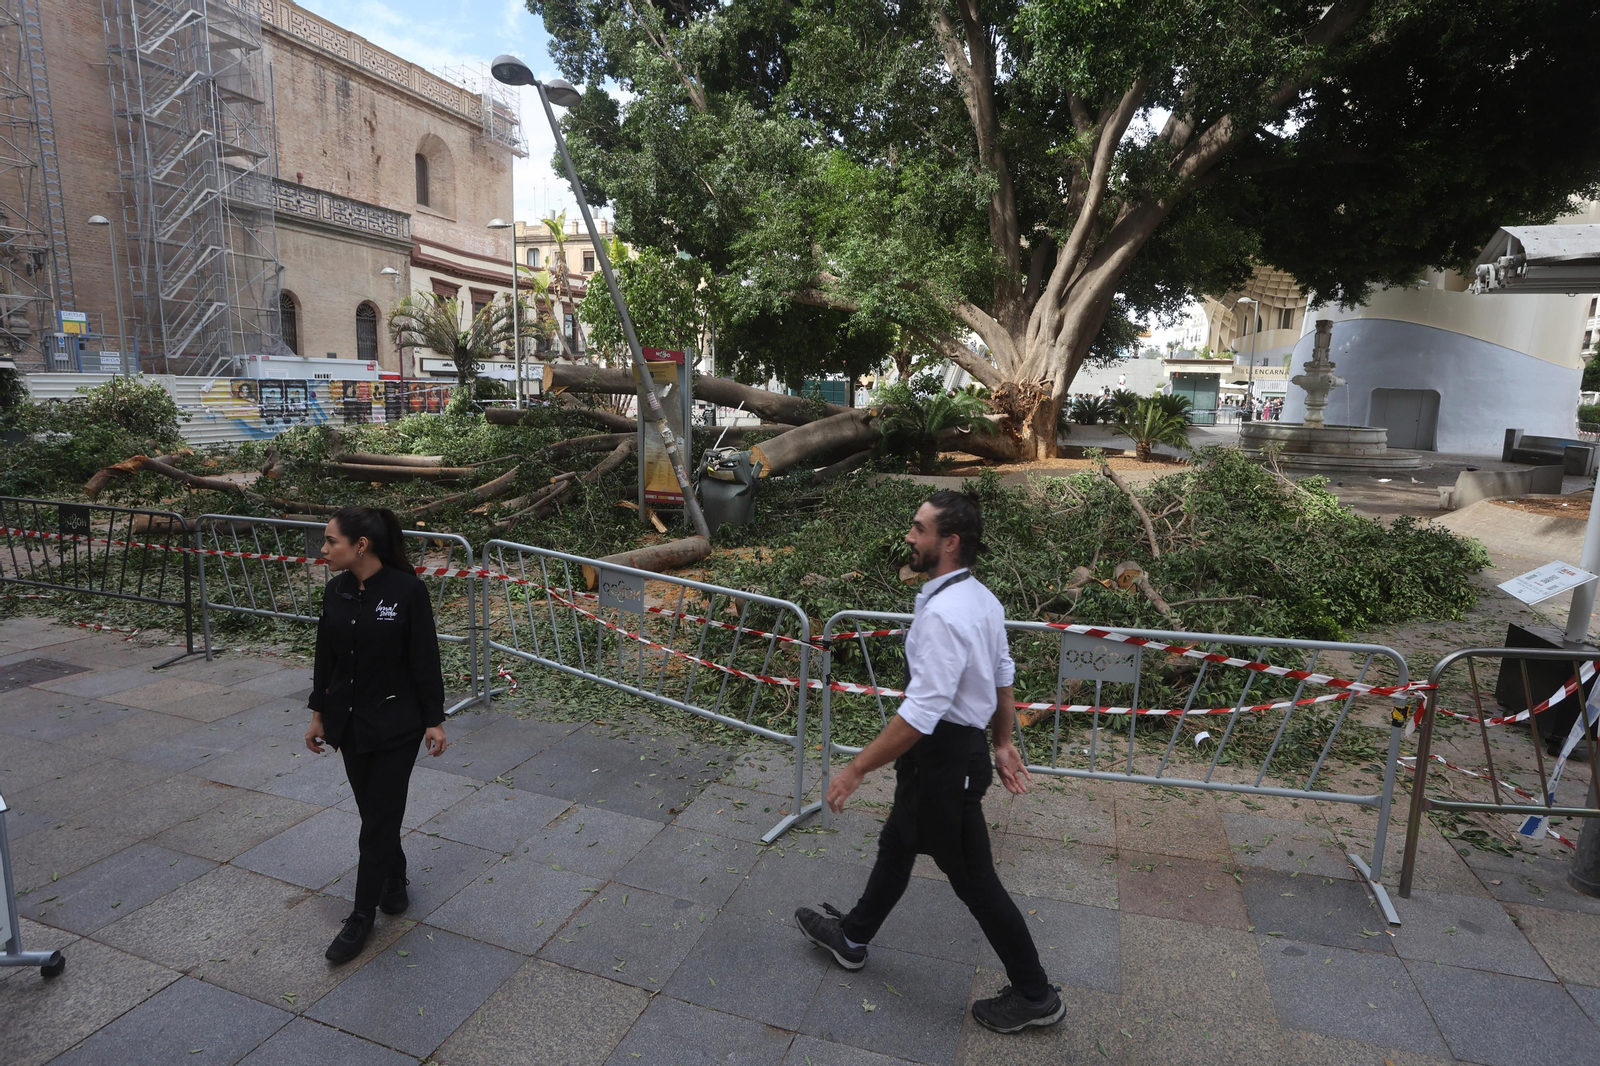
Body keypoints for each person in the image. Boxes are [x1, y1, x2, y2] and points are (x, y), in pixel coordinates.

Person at [795, 491, 1063, 1034]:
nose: (911, 538)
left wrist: (854, 770)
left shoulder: (945, 613)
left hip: (946, 762)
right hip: (942, 758)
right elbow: (1001, 675)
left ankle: (1036, 994)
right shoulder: (977, 598)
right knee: (897, 844)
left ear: (950, 541)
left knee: (976, 882)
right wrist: (1004, 742)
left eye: (919, 529)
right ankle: (852, 937)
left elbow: (920, 714)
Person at [304, 505, 448, 964]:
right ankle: (395, 875)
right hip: (349, 724)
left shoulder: (407, 590)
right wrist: (318, 716)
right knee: (375, 812)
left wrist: (434, 718)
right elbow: (325, 660)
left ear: (360, 545)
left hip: (396, 727)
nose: (323, 550)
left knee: (376, 823)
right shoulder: (336, 591)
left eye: (331, 542)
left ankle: (361, 917)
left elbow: (425, 660)